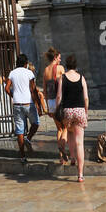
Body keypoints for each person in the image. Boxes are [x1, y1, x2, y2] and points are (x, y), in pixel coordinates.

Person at [55, 54, 89, 182]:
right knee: (80, 142)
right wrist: (86, 111)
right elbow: (86, 97)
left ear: (67, 65)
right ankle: (80, 175)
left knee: (69, 132)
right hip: (80, 110)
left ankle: (72, 157)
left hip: (68, 111)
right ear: (76, 65)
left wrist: (57, 108)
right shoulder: (82, 78)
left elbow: (59, 96)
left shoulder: (62, 78)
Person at [5, 53, 40, 163]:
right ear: (26, 63)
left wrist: (13, 95)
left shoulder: (12, 73)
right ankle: (28, 139)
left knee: (19, 131)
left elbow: (6, 88)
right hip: (28, 103)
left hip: (17, 104)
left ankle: (22, 156)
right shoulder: (29, 73)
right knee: (36, 123)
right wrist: (38, 103)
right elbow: (33, 89)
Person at [41, 47, 68, 163]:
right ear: (55, 57)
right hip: (61, 101)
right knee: (66, 128)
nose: (60, 60)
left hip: (51, 102)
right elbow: (66, 85)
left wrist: (47, 105)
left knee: (59, 129)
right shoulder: (60, 68)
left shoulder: (46, 70)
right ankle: (62, 147)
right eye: (59, 58)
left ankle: (61, 157)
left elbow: (45, 90)